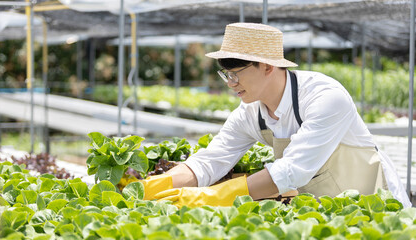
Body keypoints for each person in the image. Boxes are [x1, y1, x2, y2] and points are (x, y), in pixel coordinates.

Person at [141, 22, 411, 208]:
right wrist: (148, 189)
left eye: (236, 73)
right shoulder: (250, 113)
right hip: (325, 211)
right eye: (225, 73)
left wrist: (214, 195)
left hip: (375, 204)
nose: (229, 82)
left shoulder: (325, 97)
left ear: (267, 66)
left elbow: (290, 171)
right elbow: (210, 162)